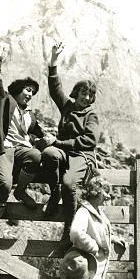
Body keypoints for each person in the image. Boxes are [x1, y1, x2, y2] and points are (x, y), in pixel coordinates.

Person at [0, 45, 55, 249]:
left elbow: (39, 131)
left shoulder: (29, 116)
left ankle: (21, 190)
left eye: (33, 92)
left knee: (35, 154)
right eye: (27, 90)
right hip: (4, 148)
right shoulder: (5, 100)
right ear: (18, 90)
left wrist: (48, 137)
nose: (30, 94)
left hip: (22, 150)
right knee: (5, 185)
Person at [41, 41, 100, 239]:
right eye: (84, 92)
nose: (87, 97)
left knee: (69, 183)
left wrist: (57, 143)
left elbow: (89, 141)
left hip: (82, 155)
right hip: (62, 152)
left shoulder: (91, 115)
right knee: (49, 154)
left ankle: (69, 229)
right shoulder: (67, 106)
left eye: (90, 94)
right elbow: (55, 87)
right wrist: (54, 60)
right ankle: (54, 191)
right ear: (77, 93)